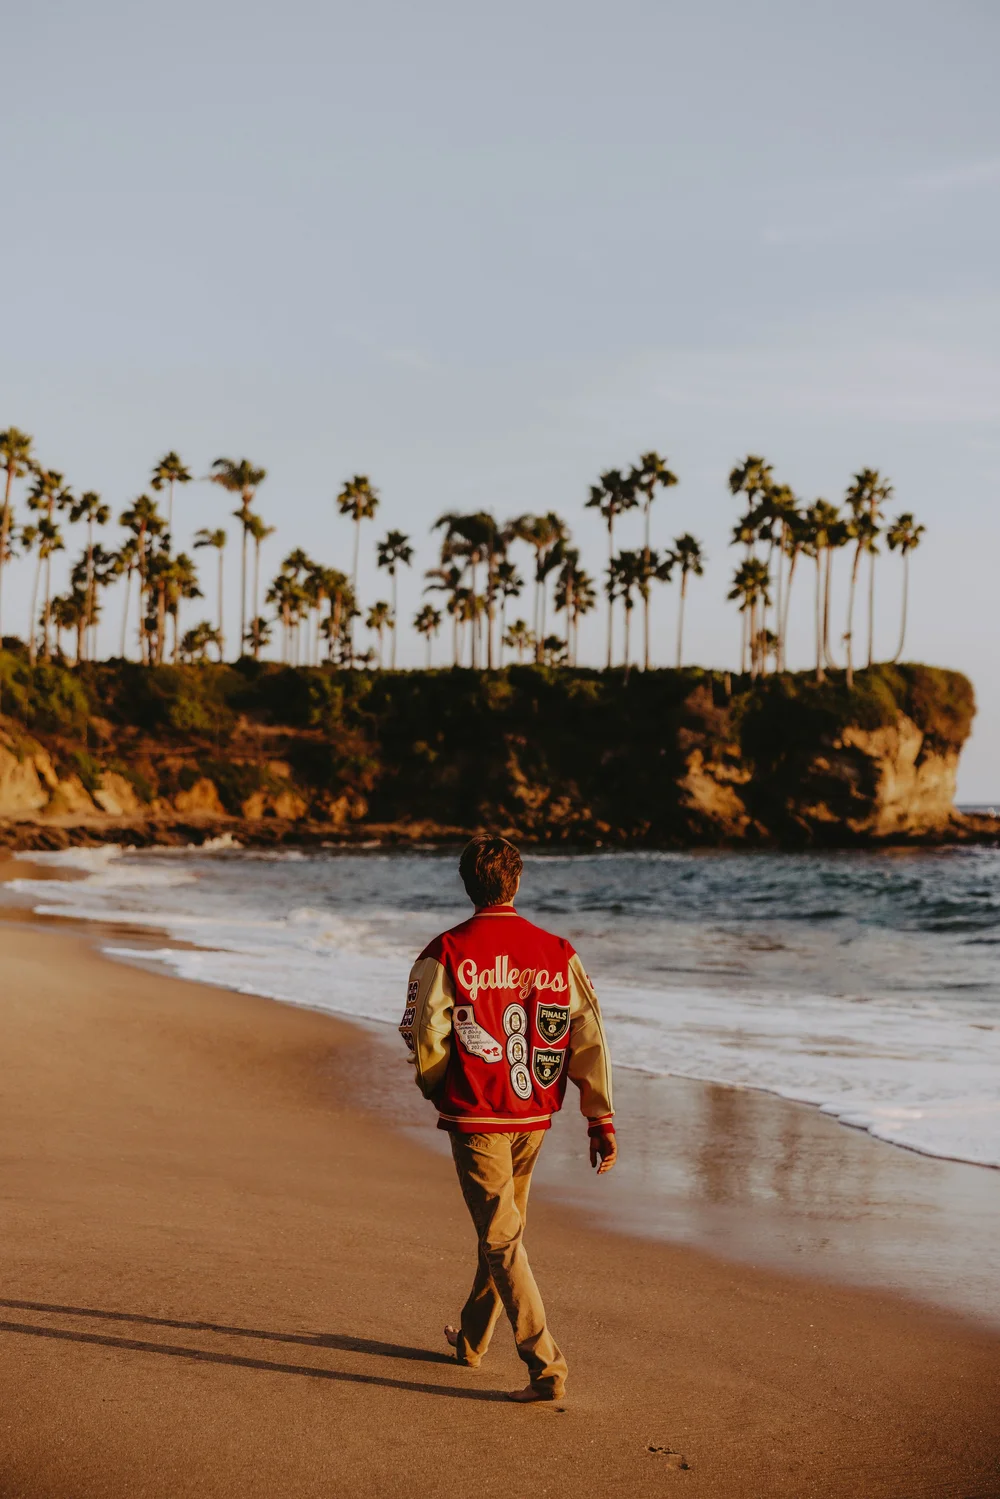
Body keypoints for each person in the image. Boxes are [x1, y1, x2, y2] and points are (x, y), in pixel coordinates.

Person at [398, 834, 616, 1404]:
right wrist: (599, 1116)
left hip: (478, 1113)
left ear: (467, 885)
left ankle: (545, 1368)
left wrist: (436, 1085)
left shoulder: (446, 950)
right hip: (534, 1111)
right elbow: (588, 1032)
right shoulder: (558, 951)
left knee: (500, 1236)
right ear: (516, 882)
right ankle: (471, 1341)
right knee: (503, 1231)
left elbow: (422, 1030)